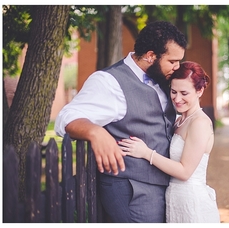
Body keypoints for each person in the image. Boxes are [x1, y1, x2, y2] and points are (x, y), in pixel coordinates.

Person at [55, 21, 188, 223]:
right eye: (173, 61)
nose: (177, 67)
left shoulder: (162, 78)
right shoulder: (108, 82)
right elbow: (65, 117)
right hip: (131, 191)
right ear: (151, 56)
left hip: (166, 187)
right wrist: (95, 132)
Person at [118, 61, 219, 223]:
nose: (177, 99)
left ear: (199, 91)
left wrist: (146, 153)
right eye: (173, 91)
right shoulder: (179, 120)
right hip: (175, 198)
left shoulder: (199, 123)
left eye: (184, 93)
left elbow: (185, 172)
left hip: (191, 201)